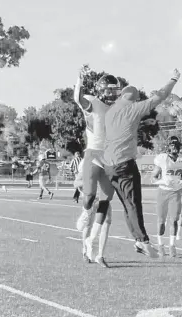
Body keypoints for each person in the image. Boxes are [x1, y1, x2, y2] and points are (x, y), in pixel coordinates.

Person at [103, 69, 181, 258]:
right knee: (134, 204)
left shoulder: (111, 110)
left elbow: (122, 128)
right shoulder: (134, 108)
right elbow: (160, 96)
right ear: (135, 99)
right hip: (124, 164)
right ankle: (143, 241)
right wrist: (173, 79)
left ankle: (137, 240)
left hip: (108, 165)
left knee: (127, 205)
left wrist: (142, 123)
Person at [74, 71, 116, 250]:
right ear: (100, 90)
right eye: (109, 90)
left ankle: (92, 243)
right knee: (90, 195)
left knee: (107, 197)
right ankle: (85, 212)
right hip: (93, 152)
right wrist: (80, 79)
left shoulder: (116, 108)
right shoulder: (93, 103)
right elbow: (77, 98)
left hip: (108, 155)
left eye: (115, 90)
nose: (113, 94)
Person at [152, 139, 182, 257]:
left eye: (176, 146)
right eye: (172, 146)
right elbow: (152, 178)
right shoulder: (162, 159)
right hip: (163, 192)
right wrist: (163, 181)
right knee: (161, 221)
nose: (174, 149)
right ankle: (160, 245)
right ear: (168, 147)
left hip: (175, 192)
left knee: (174, 220)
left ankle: (172, 246)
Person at [74, 159, 111, 268]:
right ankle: (85, 251)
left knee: (107, 221)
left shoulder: (107, 159)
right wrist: (90, 182)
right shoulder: (88, 161)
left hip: (104, 197)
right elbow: (76, 182)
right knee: (88, 224)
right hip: (91, 198)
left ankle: (100, 255)